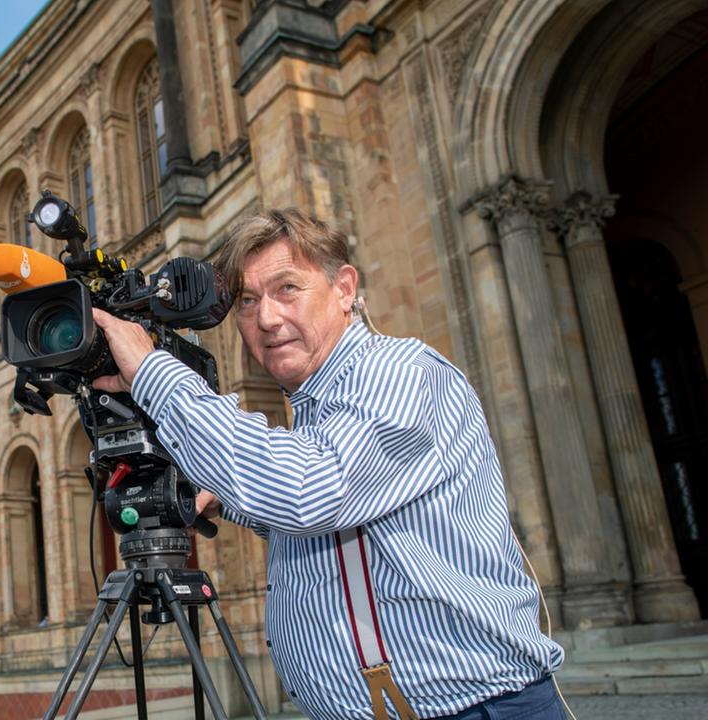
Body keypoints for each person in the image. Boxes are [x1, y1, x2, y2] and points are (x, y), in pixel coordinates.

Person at [90, 209, 567, 720]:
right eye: (248, 301)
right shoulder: (318, 410)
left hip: (471, 711)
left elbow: (311, 493)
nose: (266, 319)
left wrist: (154, 374)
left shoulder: (398, 371)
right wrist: (223, 495)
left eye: (287, 288)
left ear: (344, 288)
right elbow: (323, 528)